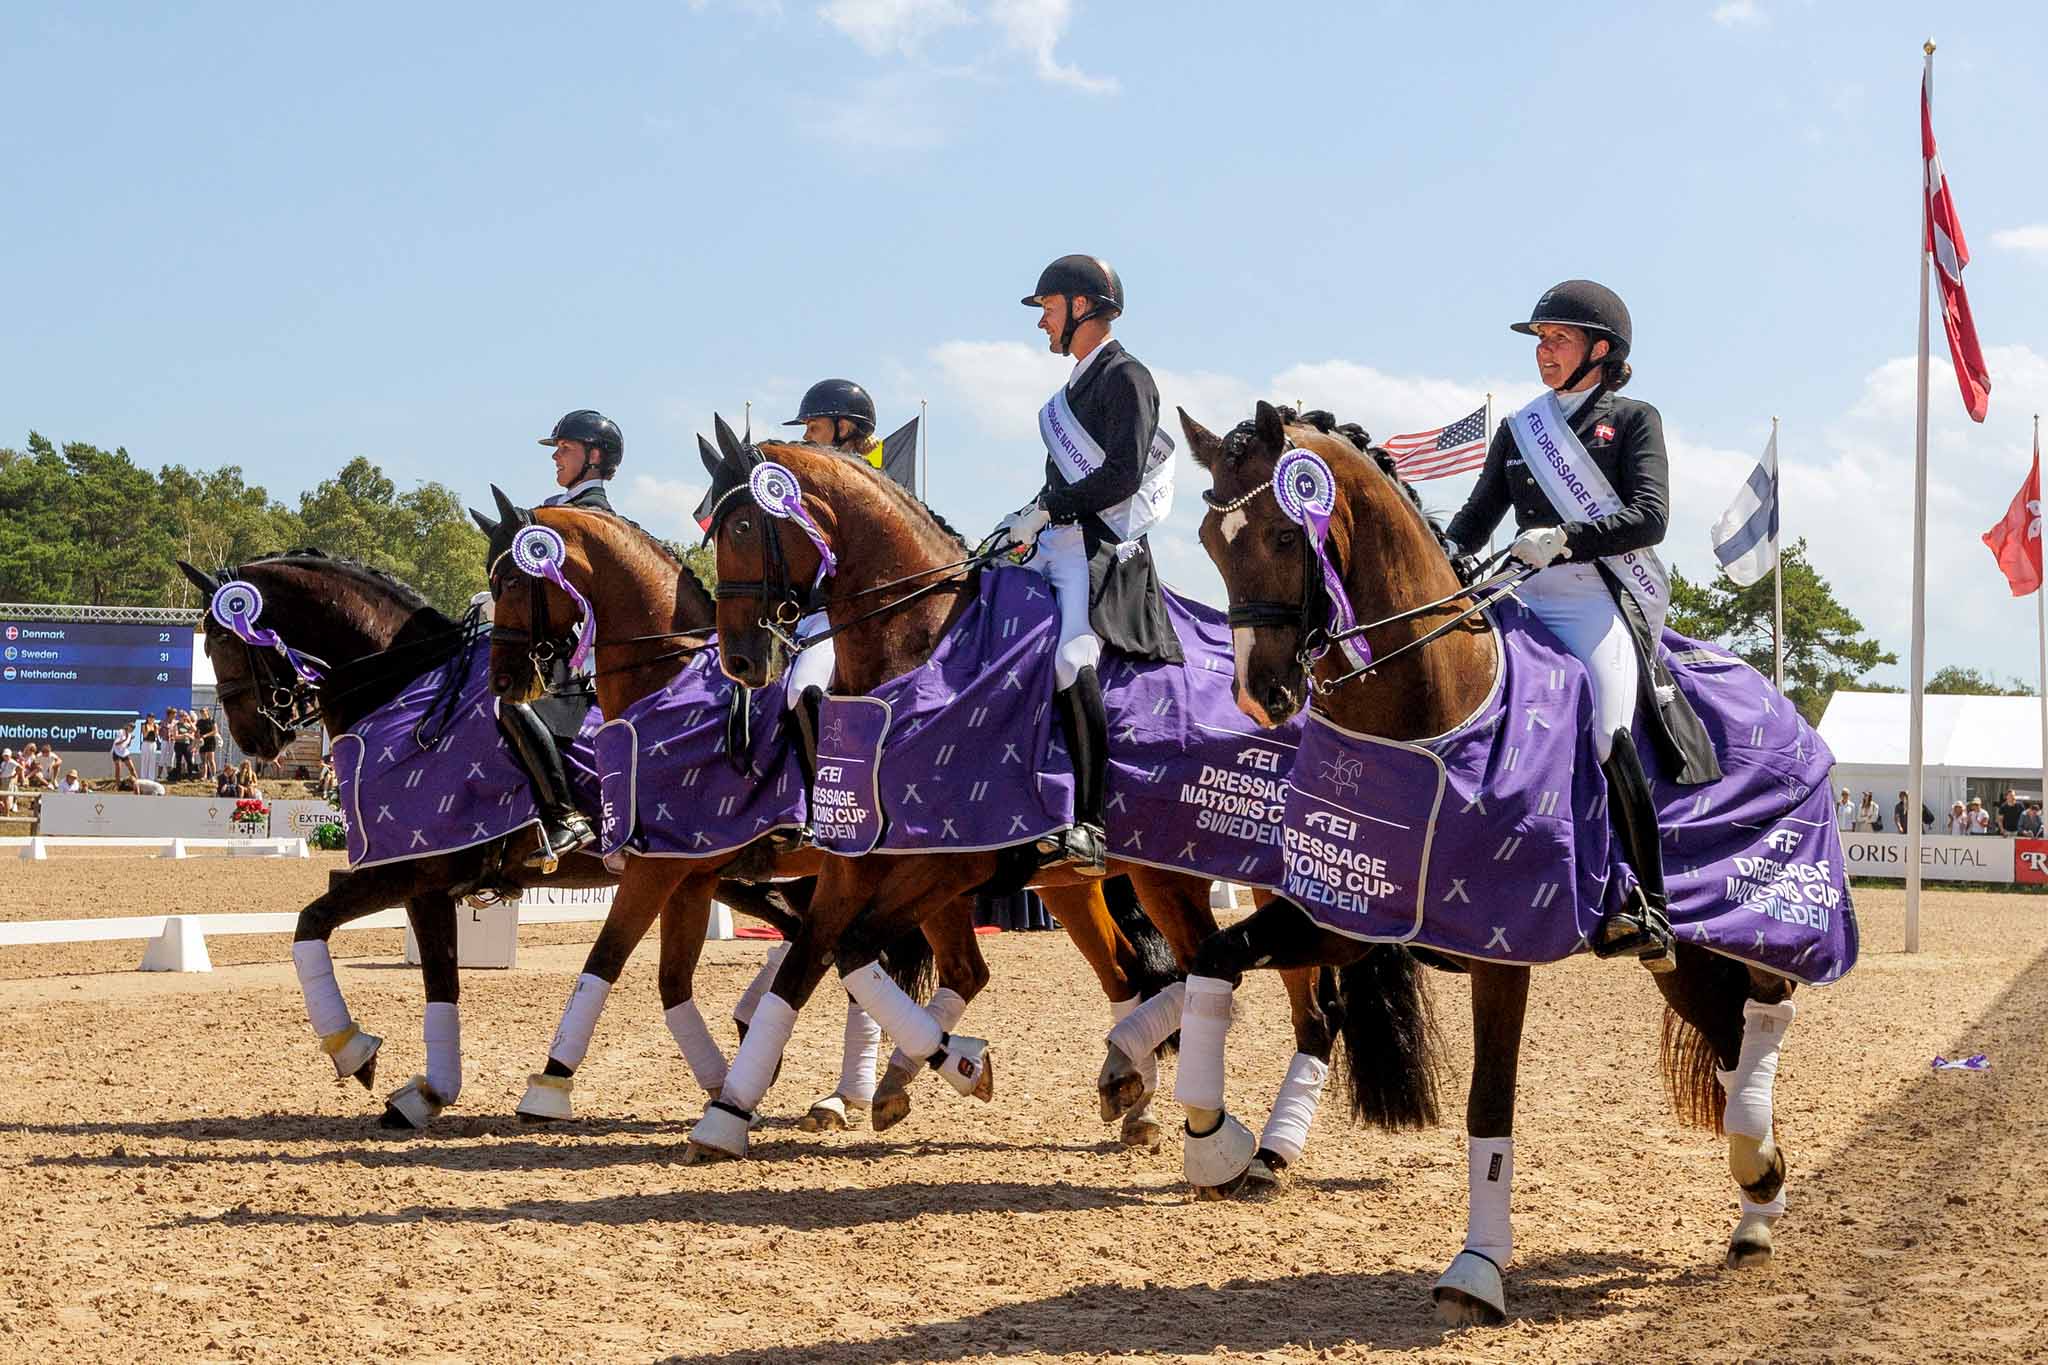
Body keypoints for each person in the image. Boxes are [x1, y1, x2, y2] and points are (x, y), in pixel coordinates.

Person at [1445, 280, 1677, 971]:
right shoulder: (1521, 428)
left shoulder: (1633, 419)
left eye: (1558, 339)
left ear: (1600, 350)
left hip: (1591, 596)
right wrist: (1446, 552)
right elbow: (1474, 520)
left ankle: (1649, 902)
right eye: (1540, 341)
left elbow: (1651, 516)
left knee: (1608, 728)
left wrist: (1568, 538)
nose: (1544, 352)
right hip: (1519, 590)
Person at [994, 254, 1182, 875]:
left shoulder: (1128, 377)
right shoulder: (1068, 393)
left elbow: (1122, 476)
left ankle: (1090, 823)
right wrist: (1021, 520)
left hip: (1099, 552)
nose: (1042, 323)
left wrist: (1046, 506)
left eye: (1048, 309)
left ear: (1081, 307)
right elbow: (1059, 485)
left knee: (1073, 657)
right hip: (1057, 544)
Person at [493, 408, 621, 868]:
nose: (556, 458)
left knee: (510, 703)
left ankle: (565, 816)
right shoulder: (559, 513)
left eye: (564, 449)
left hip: (576, 658)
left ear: (593, 456)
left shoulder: (589, 519)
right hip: (553, 648)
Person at [778, 379, 890, 765]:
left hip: (844, 617)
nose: (807, 438)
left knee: (801, 689)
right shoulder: (807, 492)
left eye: (814, 428)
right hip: (806, 618)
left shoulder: (871, 486)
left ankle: (814, 806)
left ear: (844, 428)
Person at [197, 706, 218, 781]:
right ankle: (204, 776)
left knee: (211, 760)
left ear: (207, 712)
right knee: (203, 760)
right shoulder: (199, 722)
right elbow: (198, 732)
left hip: (210, 742)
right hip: (202, 742)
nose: (202, 713)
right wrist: (199, 739)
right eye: (201, 711)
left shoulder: (211, 720)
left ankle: (213, 776)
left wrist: (205, 735)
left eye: (203, 711)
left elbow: (215, 731)